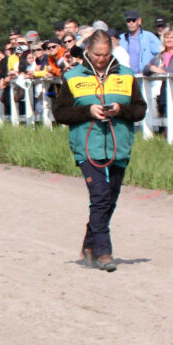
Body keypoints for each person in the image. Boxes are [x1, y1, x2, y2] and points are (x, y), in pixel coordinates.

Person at [52, 29, 146, 272]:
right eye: (97, 54)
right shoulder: (72, 77)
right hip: (86, 146)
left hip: (119, 145)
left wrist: (119, 109)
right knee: (100, 197)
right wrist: (88, 111)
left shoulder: (126, 76)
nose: (101, 59)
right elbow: (60, 113)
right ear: (88, 51)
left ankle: (89, 245)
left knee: (110, 199)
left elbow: (139, 110)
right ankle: (105, 253)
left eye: (105, 55)